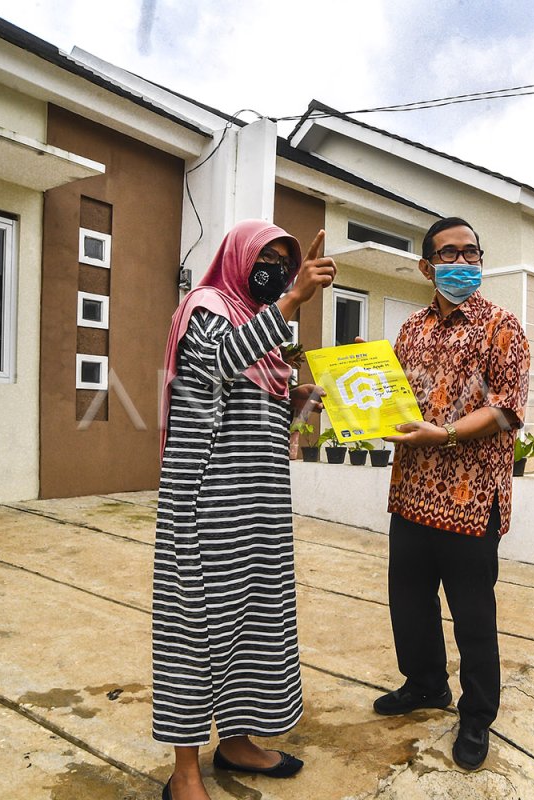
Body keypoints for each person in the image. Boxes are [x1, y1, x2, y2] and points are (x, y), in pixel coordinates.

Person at [153, 220, 335, 800]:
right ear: (238, 256)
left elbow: (252, 416)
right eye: (269, 257)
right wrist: (292, 299)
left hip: (257, 508)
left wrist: (301, 402)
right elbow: (214, 368)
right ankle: (184, 771)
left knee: (253, 622)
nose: (279, 269)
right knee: (195, 629)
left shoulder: (261, 329)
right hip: (207, 505)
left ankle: (235, 742)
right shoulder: (208, 306)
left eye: (286, 261)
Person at [375, 216, 530, 771]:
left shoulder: (501, 327)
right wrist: (341, 400)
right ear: (426, 266)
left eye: (471, 254)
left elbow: (506, 408)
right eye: (449, 255)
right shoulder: (411, 326)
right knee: (409, 603)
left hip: (470, 499)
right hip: (411, 491)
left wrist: (443, 434)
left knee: (472, 613)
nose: (462, 265)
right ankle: (424, 684)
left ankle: (477, 713)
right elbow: (387, 395)